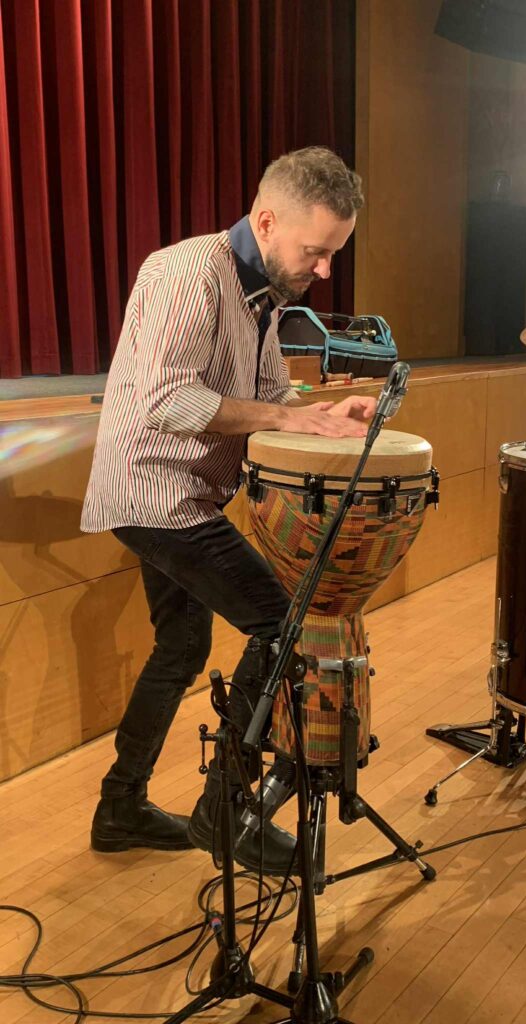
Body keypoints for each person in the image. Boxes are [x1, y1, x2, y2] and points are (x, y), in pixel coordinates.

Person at [81, 147, 375, 873]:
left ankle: (119, 809)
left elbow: (271, 397)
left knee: (182, 649)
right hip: (155, 494)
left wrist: (322, 412)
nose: (324, 270)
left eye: (333, 254)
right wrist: (288, 419)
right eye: (316, 251)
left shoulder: (263, 292)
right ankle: (226, 809)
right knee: (282, 629)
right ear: (266, 223)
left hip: (183, 493)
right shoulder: (189, 272)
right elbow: (168, 400)